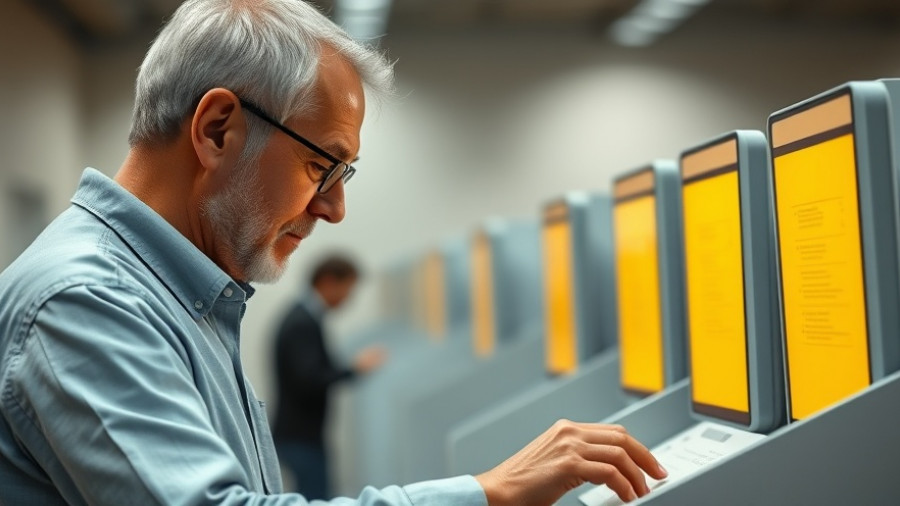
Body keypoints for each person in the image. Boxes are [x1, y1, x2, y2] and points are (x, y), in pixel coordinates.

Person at [0, 0, 667, 504]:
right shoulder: (85, 300)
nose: (332, 207)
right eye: (324, 164)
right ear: (217, 128)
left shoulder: (181, 297)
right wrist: (489, 492)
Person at [272, 254, 385, 499]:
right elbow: (309, 379)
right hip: (301, 436)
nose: (348, 299)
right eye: (348, 289)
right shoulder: (302, 322)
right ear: (328, 281)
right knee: (315, 496)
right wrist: (354, 369)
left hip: (300, 434)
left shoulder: (304, 316)